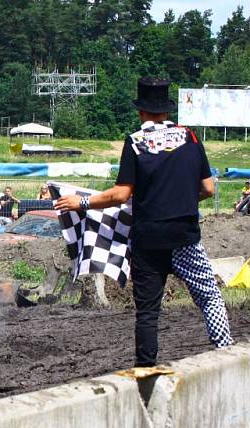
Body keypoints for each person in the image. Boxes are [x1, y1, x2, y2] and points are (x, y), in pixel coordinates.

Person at [56, 76, 233, 367]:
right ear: (167, 111)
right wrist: (182, 202)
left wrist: (82, 202)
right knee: (209, 296)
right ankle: (225, 352)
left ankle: (146, 369)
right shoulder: (190, 137)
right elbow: (209, 188)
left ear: (141, 112)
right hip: (184, 234)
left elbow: (121, 194)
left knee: (148, 311)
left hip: (148, 238)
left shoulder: (135, 142)